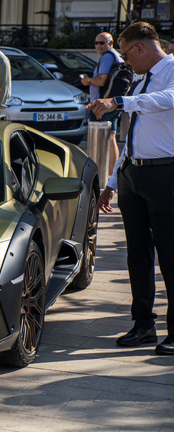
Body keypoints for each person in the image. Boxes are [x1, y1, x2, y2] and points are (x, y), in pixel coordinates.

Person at [89, 21, 174, 356]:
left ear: (141, 47)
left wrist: (119, 101)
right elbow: (133, 135)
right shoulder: (141, 78)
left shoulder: (169, 72)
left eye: (125, 54)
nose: (124, 62)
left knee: (169, 256)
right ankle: (143, 325)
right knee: (137, 255)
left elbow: (166, 100)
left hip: (166, 175)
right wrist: (111, 182)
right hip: (133, 175)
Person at [81, 32, 124, 175]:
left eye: (102, 43)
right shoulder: (117, 56)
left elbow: (101, 81)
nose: (98, 46)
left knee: (99, 141)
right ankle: (112, 173)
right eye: (96, 43)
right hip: (114, 103)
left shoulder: (107, 57)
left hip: (102, 105)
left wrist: (87, 80)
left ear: (110, 43)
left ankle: (99, 174)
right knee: (111, 137)